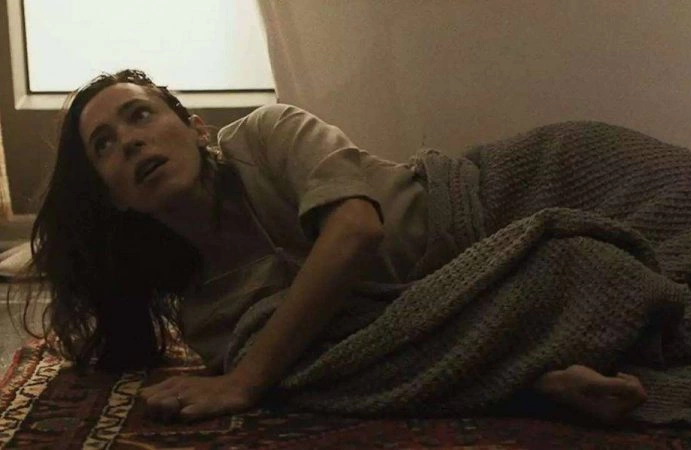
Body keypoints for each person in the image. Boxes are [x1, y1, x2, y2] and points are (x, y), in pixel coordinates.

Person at [13, 69, 650, 424]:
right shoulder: (207, 313)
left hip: (519, 188)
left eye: (140, 115)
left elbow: (356, 230)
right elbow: (359, 364)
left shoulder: (267, 133)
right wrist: (532, 384)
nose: (129, 141)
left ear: (197, 128)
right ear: (116, 198)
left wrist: (246, 381)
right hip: (501, 281)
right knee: (589, 267)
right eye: (104, 145)